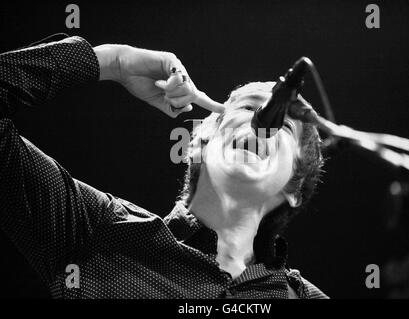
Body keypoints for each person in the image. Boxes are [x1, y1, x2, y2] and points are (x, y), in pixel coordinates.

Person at [0, 34, 327, 298]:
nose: (262, 124)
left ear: (294, 187)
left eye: (282, 125)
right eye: (248, 109)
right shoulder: (95, 231)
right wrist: (114, 61)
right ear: (201, 141)